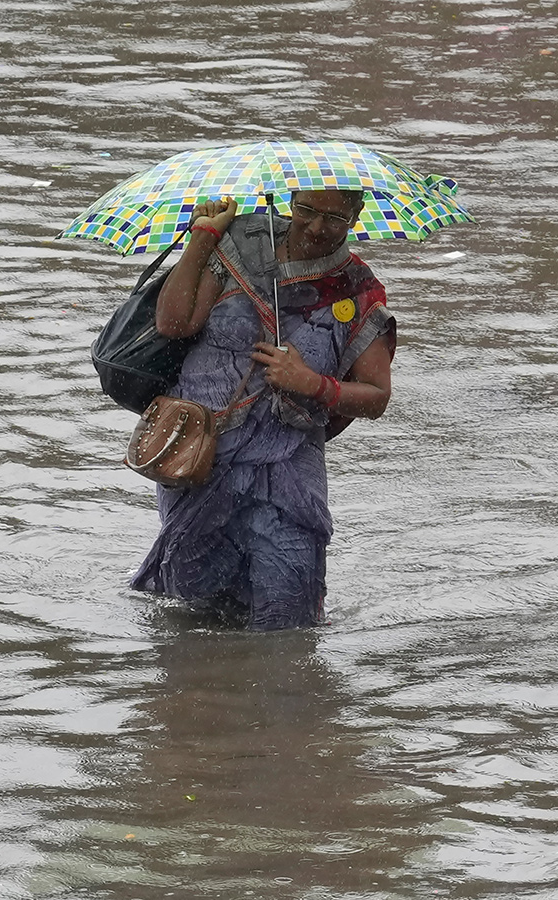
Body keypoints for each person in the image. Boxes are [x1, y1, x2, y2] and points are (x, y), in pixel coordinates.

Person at [130, 190, 395, 631]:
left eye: (334, 217)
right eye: (306, 211)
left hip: (288, 468)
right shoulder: (239, 245)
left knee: (287, 618)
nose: (315, 227)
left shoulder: (357, 289)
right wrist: (202, 238)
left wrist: (311, 383)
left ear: (357, 214)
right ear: (291, 200)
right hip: (202, 456)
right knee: (187, 613)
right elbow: (173, 324)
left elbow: (376, 396)